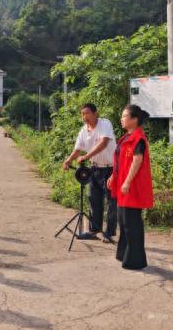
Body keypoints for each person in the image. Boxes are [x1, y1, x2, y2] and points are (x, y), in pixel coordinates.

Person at [62, 103, 117, 243]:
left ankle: (109, 233)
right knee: (94, 199)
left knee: (111, 202)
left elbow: (104, 143)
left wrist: (86, 156)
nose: (84, 116)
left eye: (87, 113)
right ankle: (94, 230)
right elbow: (78, 149)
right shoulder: (83, 130)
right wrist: (68, 160)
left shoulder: (105, 124)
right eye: (82, 114)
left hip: (111, 169)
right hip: (94, 169)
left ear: (95, 113)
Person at [108, 104, 154, 270]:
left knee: (131, 223)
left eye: (124, 116)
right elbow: (121, 161)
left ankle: (136, 260)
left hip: (132, 187)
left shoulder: (138, 138)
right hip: (123, 186)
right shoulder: (126, 137)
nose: (121, 119)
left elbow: (137, 161)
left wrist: (127, 181)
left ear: (134, 120)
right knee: (123, 220)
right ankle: (123, 254)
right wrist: (113, 176)